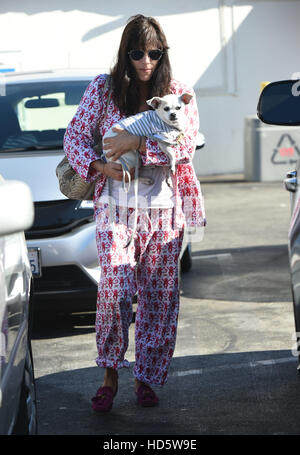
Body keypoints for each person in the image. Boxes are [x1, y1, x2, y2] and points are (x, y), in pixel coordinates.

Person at [64, 14, 206, 412]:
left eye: (155, 53)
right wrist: (99, 166)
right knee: (116, 288)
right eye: (138, 52)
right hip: (115, 208)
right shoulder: (104, 88)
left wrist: (134, 140)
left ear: (164, 54)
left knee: (160, 298)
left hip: (163, 211)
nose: (147, 61)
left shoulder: (179, 92)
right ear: (125, 54)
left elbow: (183, 146)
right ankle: (110, 372)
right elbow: (74, 134)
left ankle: (146, 377)